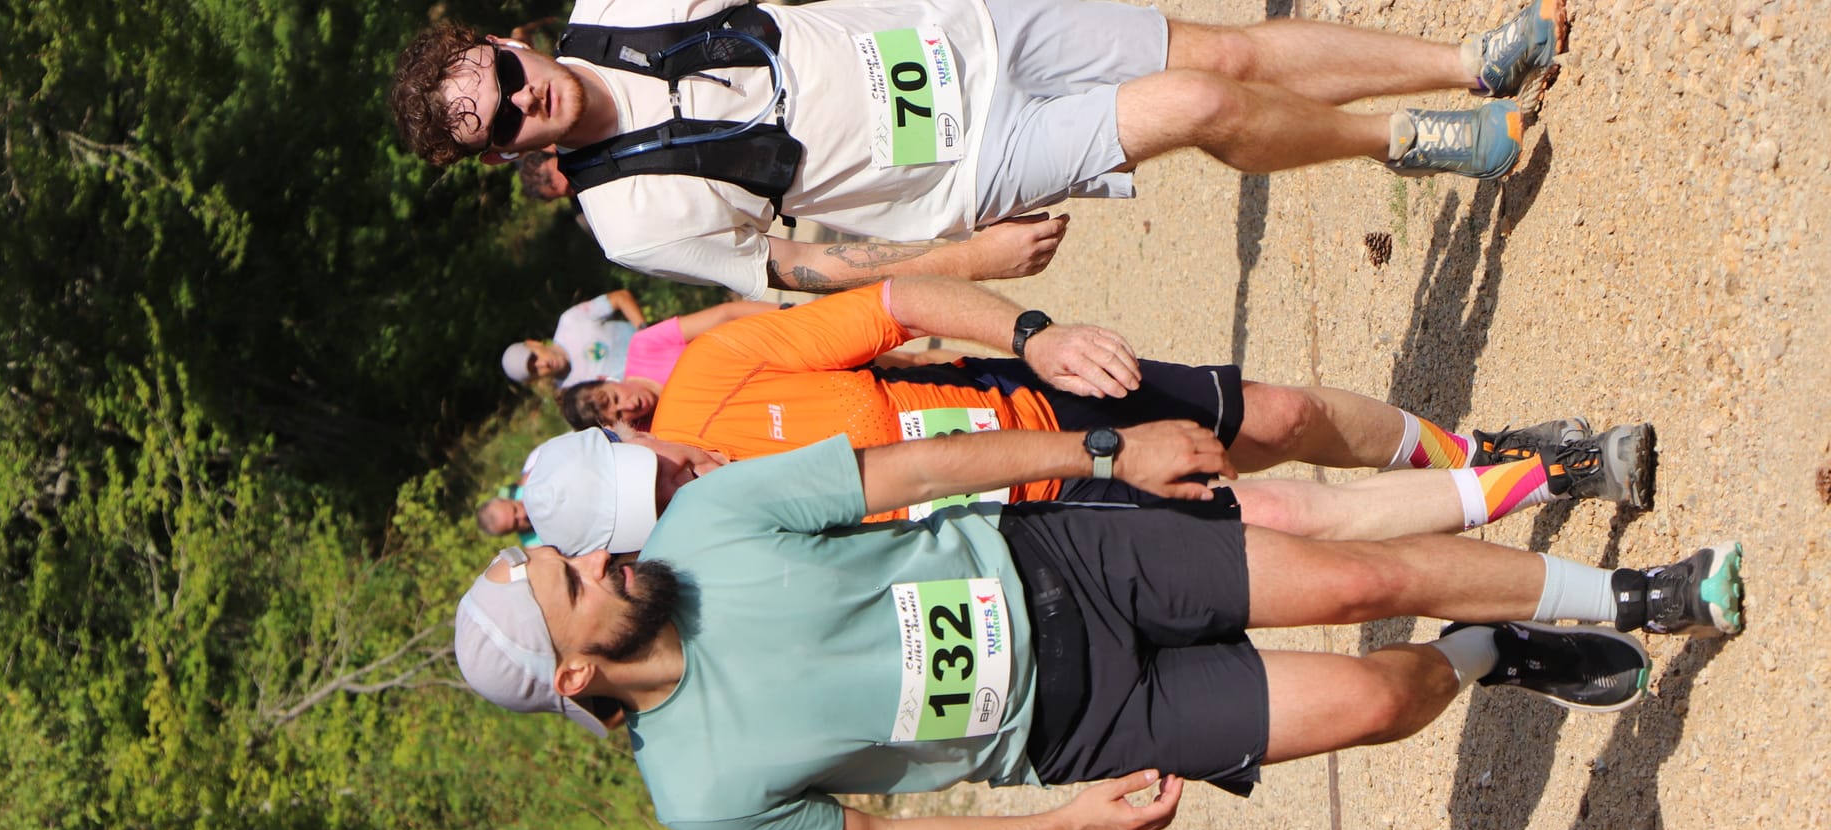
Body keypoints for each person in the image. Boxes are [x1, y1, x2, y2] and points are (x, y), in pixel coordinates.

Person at [453, 422, 1744, 830]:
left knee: (1358, 572)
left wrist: (1102, 454)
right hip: (1072, 725)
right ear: (573, 677)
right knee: (1372, 700)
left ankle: (1636, 590)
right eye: (574, 581)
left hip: (1064, 560)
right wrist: (1067, 828)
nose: (604, 558)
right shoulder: (696, 791)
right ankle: (1487, 652)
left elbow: (911, 469)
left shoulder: (707, 522)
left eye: (578, 550)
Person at [390, 1, 1567, 296]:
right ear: (497, 156)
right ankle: (1406, 140)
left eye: (495, 77)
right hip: (963, 166)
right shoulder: (626, 217)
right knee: (1194, 108)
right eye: (490, 121)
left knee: (1230, 56)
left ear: (503, 40)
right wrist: (972, 264)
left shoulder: (624, 6)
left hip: (965, 29)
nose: (512, 100)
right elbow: (797, 270)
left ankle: (1466, 62)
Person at [544, 276, 1655, 543]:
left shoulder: (715, 376)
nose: (681, 474)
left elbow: (894, 302)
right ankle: (1544, 481)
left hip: (1015, 397)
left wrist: (1034, 335)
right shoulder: (706, 540)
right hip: (1032, 534)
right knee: (1278, 519)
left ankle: (1476, 449)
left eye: (659, 460)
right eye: (657, 497)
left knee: (1275, 415)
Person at [557, 297, 782, 431]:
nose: (628, 406)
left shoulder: (644, 346)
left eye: (615, 397)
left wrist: (790, 313)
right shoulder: (655, 433)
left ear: (604, 379)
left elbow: (727, 314)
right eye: (618, 417)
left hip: (776, 352)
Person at [504, 289, 649, 386]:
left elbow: (620, 297)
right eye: (534, 370)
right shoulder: (572, 393)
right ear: (533, 381)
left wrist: (646, 333)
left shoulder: (571, 321)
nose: (543, 364)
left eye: (534, 357)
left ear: (533, 343)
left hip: (661, 343)